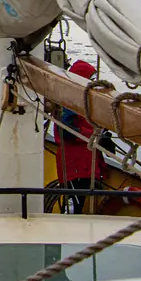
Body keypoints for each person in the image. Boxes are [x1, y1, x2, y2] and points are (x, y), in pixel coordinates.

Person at [54, 59, 107, 212]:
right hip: (75, 165)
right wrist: (93, 136)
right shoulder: (70, 102)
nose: (92, 83)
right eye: (90, 79)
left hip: (84, 163)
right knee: (73, 204)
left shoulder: (84, 102)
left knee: (78, 201)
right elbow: (66, 131)